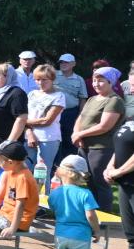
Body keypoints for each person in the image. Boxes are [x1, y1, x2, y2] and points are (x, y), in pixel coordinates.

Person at [73, 66, 124, 212]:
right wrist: (76, 133)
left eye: (100, 81)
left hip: (102, 148)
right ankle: (92, 214)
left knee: (100, 183)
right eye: (94, 80)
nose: (96, 84)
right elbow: (81, 118)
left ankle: (104, 217)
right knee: (89, 182)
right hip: (84, 146)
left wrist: (81, 134)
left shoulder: (114, 101)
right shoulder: (92, 99)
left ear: (110, 82)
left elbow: (104, 126)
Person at [100, 115, 134, 249]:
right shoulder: (131, 117)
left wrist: (119, 171)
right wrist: (110, 165)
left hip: (127, 178)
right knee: (132, 236)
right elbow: (121, 145)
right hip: (126, 184)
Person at [24, 64, 66, 188]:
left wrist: (24, 122)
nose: (41, 82)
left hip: (49, 138)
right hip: (29, 137)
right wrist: (30, 133)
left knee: (42, 172)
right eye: (38, 79)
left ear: (52, 79)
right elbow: (24, 116)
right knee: (26, 169)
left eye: (44, 79)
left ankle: (42, 202)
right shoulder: (31, 94)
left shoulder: (59, 96)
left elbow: (47, 121)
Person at [54, 53, 88, 165]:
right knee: (55, 139)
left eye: (66, 62)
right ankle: (55, 166)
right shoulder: (52, 75)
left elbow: (82, 98)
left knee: (69, 140)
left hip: (70, 113)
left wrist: (80, 115)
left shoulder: (79, 79)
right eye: (61, 62)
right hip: (53, 113)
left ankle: (69, 165)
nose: (63, 64)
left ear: (73, 64)